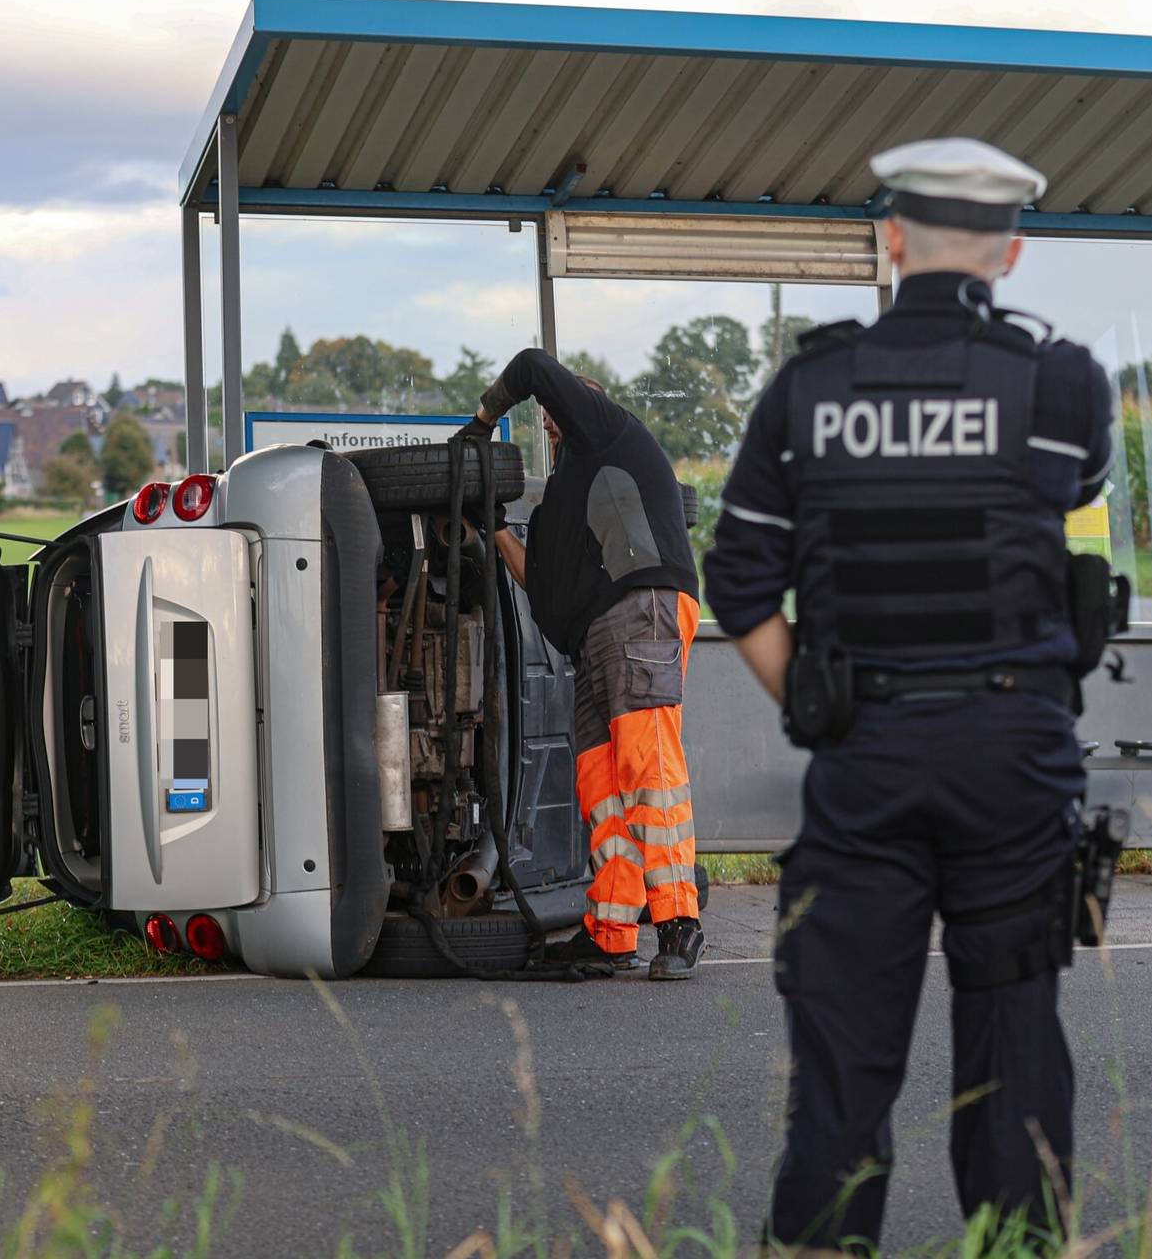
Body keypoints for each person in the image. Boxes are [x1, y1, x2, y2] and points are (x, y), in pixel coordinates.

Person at [703, 137, 1112, 1250]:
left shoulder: (811, 383)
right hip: (1015, 759)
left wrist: (824, 700)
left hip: (867, 754)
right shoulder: (1062, 380)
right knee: (1017, 1049)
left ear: (891, 239)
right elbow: (1074, 483)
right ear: (1011, 251)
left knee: (842, 1063)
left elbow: (737, 577)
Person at [457, 353, 704, 980]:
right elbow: (535, 582)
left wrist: (482, 422)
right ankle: (614, 931)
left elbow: (534, 365)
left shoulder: (605, 426)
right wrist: (488, 527)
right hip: (592, 635)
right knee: (602, 786)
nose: (548, 427)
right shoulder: (563, 499)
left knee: (648, 768)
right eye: (547, 424)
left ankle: (678, 921)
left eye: (553, 416)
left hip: (639, 609)